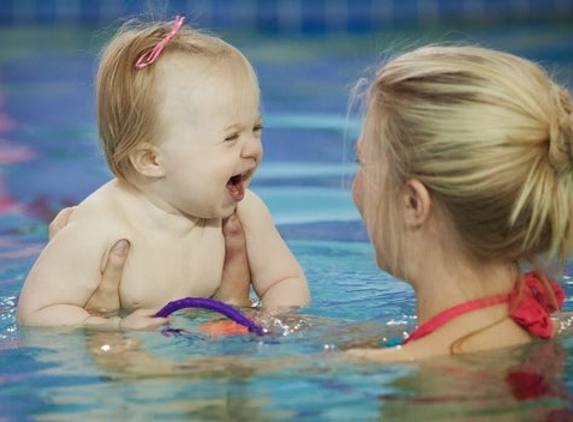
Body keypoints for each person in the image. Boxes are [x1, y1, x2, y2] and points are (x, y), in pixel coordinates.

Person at [49, 44, 573, 362]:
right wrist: (243, 315)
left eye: (363, 164)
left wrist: (109, 348)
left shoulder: (410, 371)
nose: (356, 187)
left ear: (415, 204)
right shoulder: (544, 321)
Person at [16, 16, 310, 331]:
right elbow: (36, 312)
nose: (252, 148)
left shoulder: (246, 212)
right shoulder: (101, 229)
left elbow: (285, 280)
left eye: (256, 128)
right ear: (151, 160)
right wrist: (110, 328)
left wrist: (268, 320)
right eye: (230, 137)